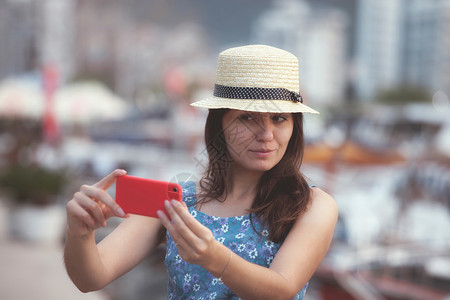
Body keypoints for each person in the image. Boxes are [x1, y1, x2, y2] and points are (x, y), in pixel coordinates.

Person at [64, 45, 338, 299]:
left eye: (279, 119)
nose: (266, 135)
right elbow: (91, 277)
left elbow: (283, 288)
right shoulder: (175, 202)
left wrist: (216, 258)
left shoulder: (311, 205)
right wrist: (80, 232)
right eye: (248, 117)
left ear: (295, 127)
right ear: (219, 124)